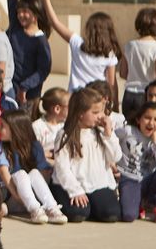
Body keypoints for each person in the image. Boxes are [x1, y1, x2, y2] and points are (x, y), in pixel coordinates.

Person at [32, 0, 123, 94]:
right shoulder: (109, 54)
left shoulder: (77, 43)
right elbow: (111, 84)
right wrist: (114, 106)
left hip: (75, 97)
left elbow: (55, 23)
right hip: (96, 98)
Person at [48, 87, 120, 223]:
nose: (101, 116)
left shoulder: (101, 132)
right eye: (95, 112)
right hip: (70, 184)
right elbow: (62, 168)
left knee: (111, 214)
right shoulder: (65, 135)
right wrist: (75, 190)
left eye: (101, 111)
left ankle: (94, 205)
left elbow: (115, 157)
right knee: (78, 214)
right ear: (80, 114)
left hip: (97, 184)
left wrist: (109, 134)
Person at [0, 109, 66, 224]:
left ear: (16, 129)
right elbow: (3, 172)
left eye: (2, 126)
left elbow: (43, 173)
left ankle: (52, 208)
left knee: (35, 173)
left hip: (29, 196)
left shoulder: (35, 146)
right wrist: (17, 196)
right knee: (21, 174)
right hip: (11, 193)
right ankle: (35, 210)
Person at [117, 102, 156, 223]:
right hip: (129, 179)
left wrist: (155, 139)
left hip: (148, 181)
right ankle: (139, 203)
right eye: (147, 118)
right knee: (128, 216)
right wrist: (111, 163)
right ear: (139, 119)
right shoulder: (128, 131)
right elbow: (109, 141)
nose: (151, 123)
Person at [4, 0, 52, 105]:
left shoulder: (41, 41)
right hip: (9, 90)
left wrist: (24, 87)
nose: (20, 15)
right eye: (19, 11)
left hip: (29, 97)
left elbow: (43, 71)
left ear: (36, 15)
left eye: (25, 11)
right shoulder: (15, 29)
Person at [122, 8, 156, 120]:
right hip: (147, 95)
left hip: (128, 95)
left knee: (129, 130)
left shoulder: (129, 46)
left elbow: (123, 73)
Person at [34, 86, 69, 164]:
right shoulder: (37, 127)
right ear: (57, 109)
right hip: (45, 168)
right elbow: (33, 154)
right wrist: (47, 154)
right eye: (69, 106)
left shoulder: (67, 125)